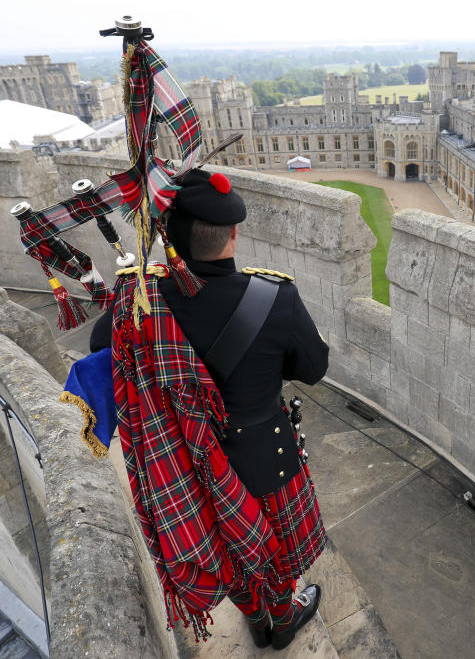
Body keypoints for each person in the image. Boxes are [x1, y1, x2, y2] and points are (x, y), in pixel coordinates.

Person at [90, 168, 329, 650]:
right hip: (265, 458)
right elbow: (313, 367)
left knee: (230, 548)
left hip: (187, 463)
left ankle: (254, 613)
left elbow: (104, 346)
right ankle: (278, 621)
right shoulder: (275, 297)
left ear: (168, 237)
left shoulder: (139, 302)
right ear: (234, 232)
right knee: (273, 549)